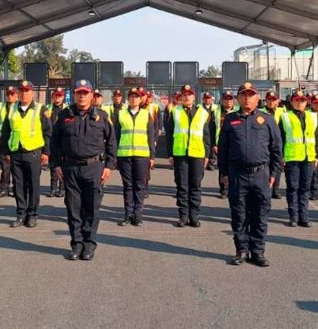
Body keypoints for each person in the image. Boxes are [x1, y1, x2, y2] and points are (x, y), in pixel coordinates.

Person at [50, 79, 117, 261]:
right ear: (75, 94)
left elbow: (111, 143)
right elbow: (54, 142)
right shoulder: (64, 116)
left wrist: (109, 166)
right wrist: (56, 165)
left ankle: (89, 245)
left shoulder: (102, 117)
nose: (82, 96)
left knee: (92, 209)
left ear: (91, 95)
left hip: (94, 168)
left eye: (85, 93)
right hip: (70, 168)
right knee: (73, 209)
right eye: (79, 92)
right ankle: (76, 244)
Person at [218, 81, 282, 267]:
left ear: (257, 98)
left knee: (260, 215)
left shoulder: (267, 119)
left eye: (251, 94)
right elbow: (223, 149)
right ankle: (241, 250)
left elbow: (277, 148)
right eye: (244, 94)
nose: (247, 97)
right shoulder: (230, 120)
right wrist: (224, 173)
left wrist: (274, 173)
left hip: (261, 174)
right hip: (237, 174)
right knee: (239, 215)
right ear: (238, 98)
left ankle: (258, 252)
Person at [1, 80, 52, 228]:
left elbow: (48, 132)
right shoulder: (11, 109)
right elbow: (5, 132)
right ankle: (21, 213)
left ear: (32, 92)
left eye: (27, 91)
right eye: (22, 91)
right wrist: (6, 151)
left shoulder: (40, 109)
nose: (24, 93)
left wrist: (46, 152)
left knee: (33, 185)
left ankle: (32, 214)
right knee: (18, 185)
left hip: (34, 152)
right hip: (16, 152)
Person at [165, 84, 215, 228]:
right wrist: (170, 154)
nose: (187, 97)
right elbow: (169, 135)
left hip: (197, 154)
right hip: (180, 154)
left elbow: (207, 136)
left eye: (189, 94)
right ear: (181, 97)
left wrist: (207, 155)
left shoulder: (202, 113)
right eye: (184, 94)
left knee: (196, 186)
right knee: (182, 186)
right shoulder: (175, 112)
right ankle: (183, 216)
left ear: (194, 97)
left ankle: (194, 216)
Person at [115, 87, 156, 226]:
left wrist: (152, 157)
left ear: (140, 99)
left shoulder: (146, 114)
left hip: (142, 156)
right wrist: (114, 155)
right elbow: (115, 136)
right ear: (128, 99)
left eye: (136, 97)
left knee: (139, 186)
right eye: (131, 96)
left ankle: (137, 216)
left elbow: (151, 136)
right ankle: (128, 215)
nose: (134, 99)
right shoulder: (120, 114)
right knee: (127, 186)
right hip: (124, 155)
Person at [280, 89, 318, 227]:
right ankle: (293, 216)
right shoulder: (285, 117)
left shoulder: (312, 117)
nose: (299, 103)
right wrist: (280, 156)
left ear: (306, 103)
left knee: (305, 188)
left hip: (309, 157)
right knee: (293, 187)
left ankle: (304, 216)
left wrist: (317, 155)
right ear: (292, 102)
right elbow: (281, 138)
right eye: (296, 100)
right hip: (292, 157)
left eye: (302, 101)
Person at [0, 86, 18, 198]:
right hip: (3, 141)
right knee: (5, 167)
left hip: (16, 141)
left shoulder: (19, 107)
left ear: (16, 95)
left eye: (12, 94)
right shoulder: (1, 107)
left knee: (16, 168)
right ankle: (4, 188)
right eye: (8, 94)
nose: (9, 96)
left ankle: (16, 188)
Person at [45, 87, 68, 197]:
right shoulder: (47, 109)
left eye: (60, 95)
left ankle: (62, 188)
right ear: (52, 96)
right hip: (51, 140)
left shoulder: (68, 109)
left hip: (63, 141)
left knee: (63, 165)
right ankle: (53, 188)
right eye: (56, 95)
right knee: (53, 165)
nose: (57, 97)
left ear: (63, 97)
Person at [263, 91, 284, 199]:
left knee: (277, 166)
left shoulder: (283, 112)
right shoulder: (260, 112)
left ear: (278, 101)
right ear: (265, 100)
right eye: (269, 99)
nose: (271, 102)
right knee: (265, 167)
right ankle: (266, 188)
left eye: (274, 99)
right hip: (265, 144)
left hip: (278, 143)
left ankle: (275, 189)